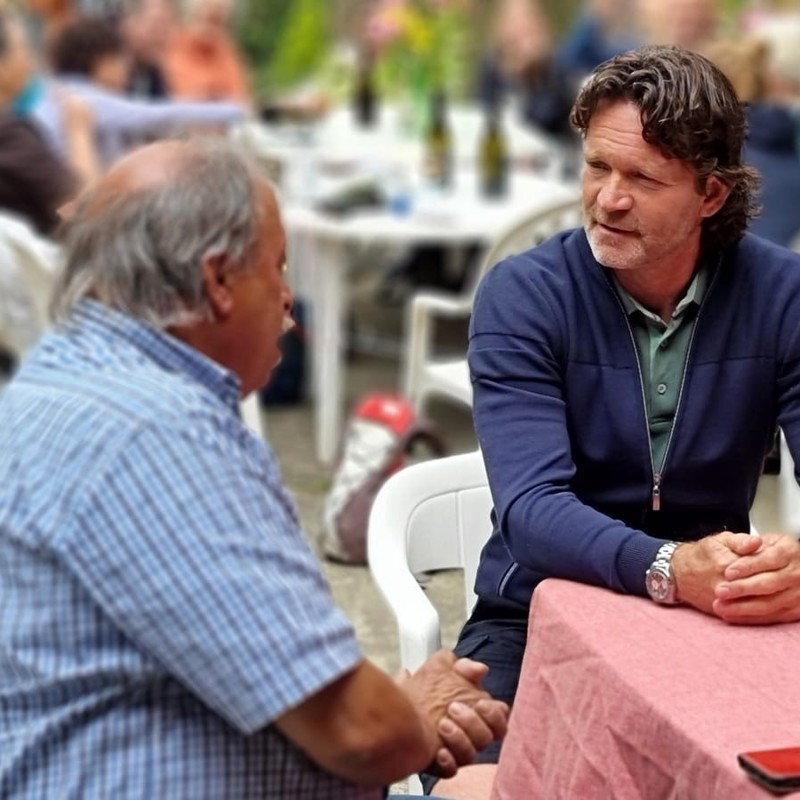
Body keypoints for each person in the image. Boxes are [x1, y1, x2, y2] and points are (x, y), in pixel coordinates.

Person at [0, 138, 509, 798]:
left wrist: (399, 711)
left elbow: (279, 670)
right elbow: (360, 733)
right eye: (277, 267)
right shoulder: (154, 432)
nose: (289, 298)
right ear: (217, 281)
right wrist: (415, 713)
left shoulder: (63, 383)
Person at [427, 44, 800, 799]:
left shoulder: (782, 293)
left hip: (718, 621)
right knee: (474, 786)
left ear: (711, 196)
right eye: (597, 167)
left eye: (642, 178)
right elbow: (532, 513)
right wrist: (669, 570)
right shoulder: (525, 294)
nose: (607, 199)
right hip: (530, 615)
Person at [34, 14, 246, 165]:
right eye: (120, 60)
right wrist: (236, 110)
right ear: (101, 61)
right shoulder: (83, 96)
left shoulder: (54, 89)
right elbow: (157, 115)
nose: (126, 68)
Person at [163, 0, 251, 104]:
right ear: (192, 14)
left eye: (218, 22)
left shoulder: (227, 52)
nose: (211, 30)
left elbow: (241, 98)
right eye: (209, 19)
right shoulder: (174, 47)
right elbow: (188, 95)